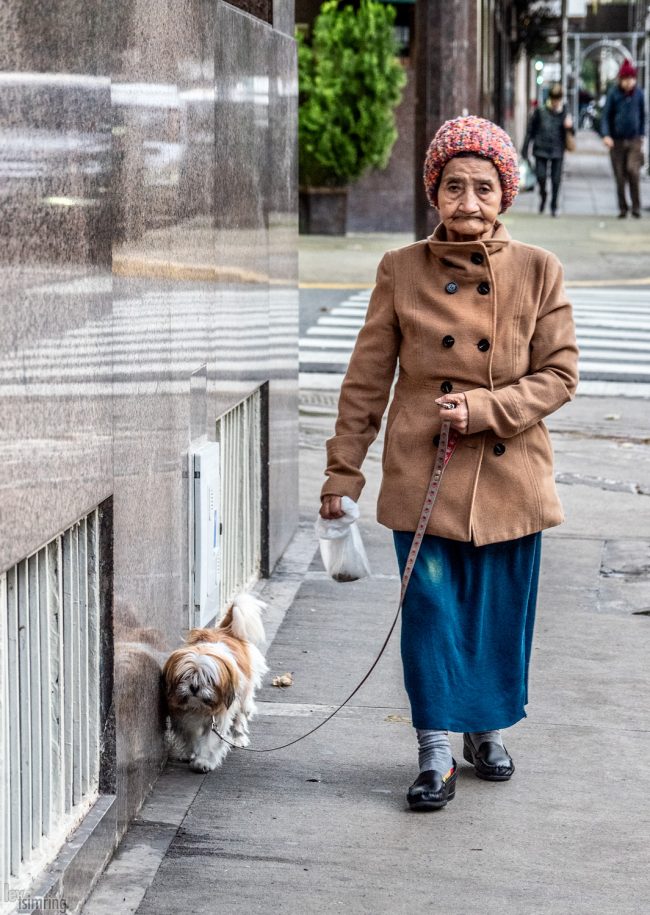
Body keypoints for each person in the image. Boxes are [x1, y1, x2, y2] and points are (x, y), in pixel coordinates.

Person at [319, 116, 579, 812]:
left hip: (510, 478)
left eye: (483, 187)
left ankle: (486, 727)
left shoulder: (538, 270)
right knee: (432, 614)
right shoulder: (399, 270)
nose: (468, 200)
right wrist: (342, 473)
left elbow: (560, 373)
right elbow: (366, 379)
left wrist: (489, 409)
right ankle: (435, 749)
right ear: (434, 191)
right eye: (454, 185)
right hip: (422, 478)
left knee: (498, 614)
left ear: (506, 195)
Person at [601, 59, 646, 218]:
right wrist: (606, 134)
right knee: (619, 175)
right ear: (621, 79)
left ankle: (636, 207)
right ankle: (623, 207)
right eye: (625, 79)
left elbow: (643, 115)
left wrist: (642, 136)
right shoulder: (614, 94)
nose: (628, 83)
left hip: (634, 140)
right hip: (617, 140)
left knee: (633, 171)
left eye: (631, 79)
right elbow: (606, 116)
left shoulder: (639, 94)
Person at [522, 84, 574, 216]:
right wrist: (525, 148)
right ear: (550, 98)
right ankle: (543, 196)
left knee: (556, 180)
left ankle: (554, 205)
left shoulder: (565, 112)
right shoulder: (540, 111)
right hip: (541, 149)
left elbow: (572, 133)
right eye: (554, 100)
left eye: (559, 100)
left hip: (558, 150)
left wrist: (569, 126)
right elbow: (530, 131)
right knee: (541, 177)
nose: (557, 103)